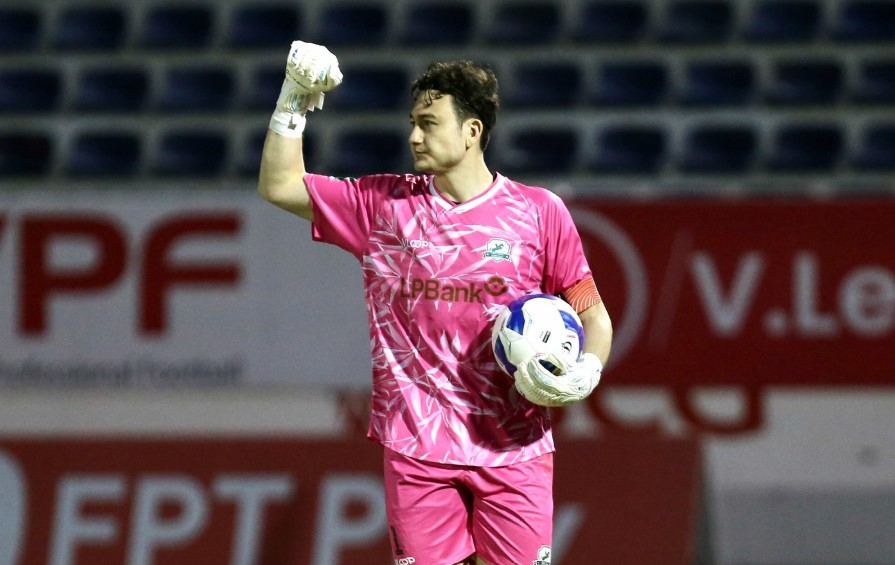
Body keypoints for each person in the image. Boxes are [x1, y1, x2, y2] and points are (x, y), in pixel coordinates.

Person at [258, 41, 613, 565]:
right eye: (412, 123)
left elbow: (592, 313)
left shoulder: (539, 213)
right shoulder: (384, 206)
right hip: (417, 448)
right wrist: (293, 98)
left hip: (514, 448)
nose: (413, 136)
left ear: (472, 131)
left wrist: (587, 370)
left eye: (428, 123)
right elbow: (279, 184)